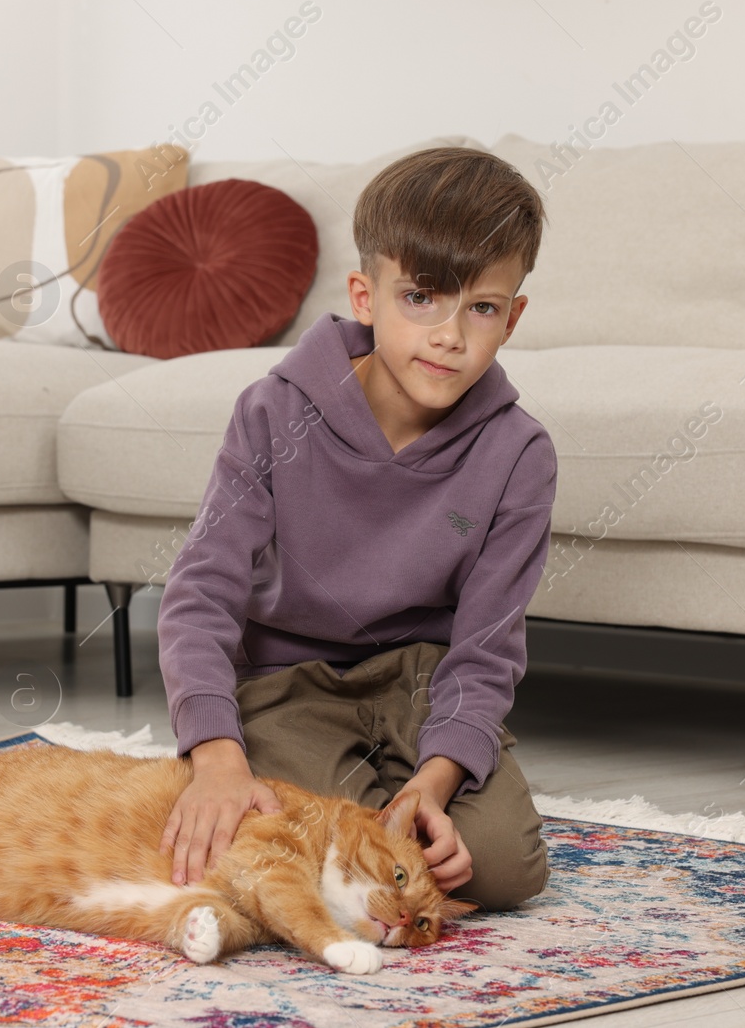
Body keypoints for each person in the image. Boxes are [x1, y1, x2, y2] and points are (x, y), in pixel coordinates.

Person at [155, 145, 556, 913]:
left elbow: (487, 648)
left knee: (504, 869)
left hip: (422, 683)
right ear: (365, 296)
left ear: (513, 316)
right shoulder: (272, 410)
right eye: (421, 299)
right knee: (323, 854)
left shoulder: (520, 452)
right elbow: (201, 591)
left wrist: (437, 778)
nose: (449, 335)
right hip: (288, 682)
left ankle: (403, 793)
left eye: (481, 308)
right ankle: (315, 787)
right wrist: (213, 755)